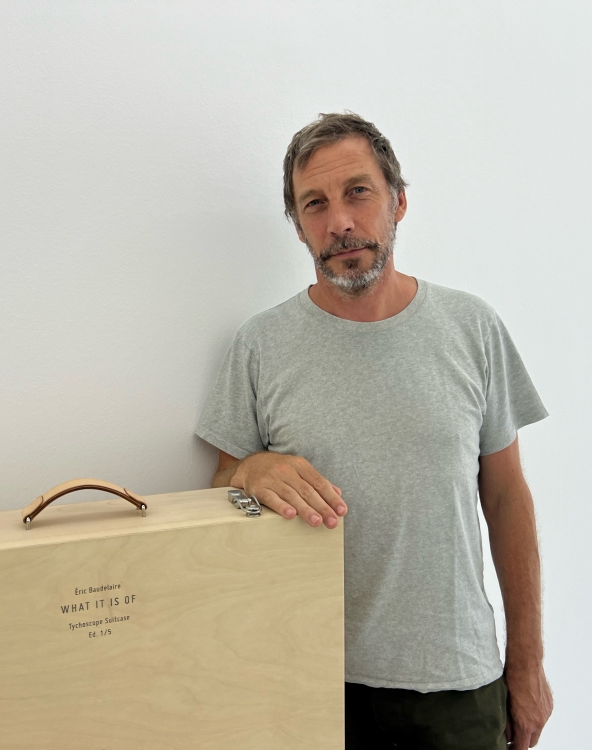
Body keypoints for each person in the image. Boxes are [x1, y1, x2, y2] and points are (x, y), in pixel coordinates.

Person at [195, 112, 553, 750]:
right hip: (306, 683)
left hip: (456, 683)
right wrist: (248, 470)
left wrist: (526, 667)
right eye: (315, 204)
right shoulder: (259, 346)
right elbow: (218, 489)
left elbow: (507, 499)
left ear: (398, 201)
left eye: (357, 191)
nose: (339, 221)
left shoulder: (473, 328)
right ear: (299, 225)